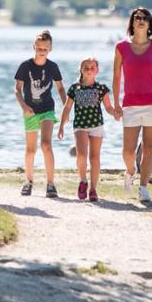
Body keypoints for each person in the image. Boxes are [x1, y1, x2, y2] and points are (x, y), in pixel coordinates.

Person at [112, 7, 152, 203]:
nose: (141, 20)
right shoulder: (121, 47)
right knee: (128, 151)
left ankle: (143, 188)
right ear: (132, 23)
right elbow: (117, 76)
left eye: (145, 18)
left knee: (149, 147)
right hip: (130, 104)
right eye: (137, 18)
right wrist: (116, 103)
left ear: (150, 23)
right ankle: (130, 170)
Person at [15, 29, 66, 198]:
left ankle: (51, 184)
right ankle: (28, 181)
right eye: (39, 48)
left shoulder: (53, 67)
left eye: (45, 48)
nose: (42, 51)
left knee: (46, 144)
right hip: (29, 111)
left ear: (50, 49)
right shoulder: (25, 66)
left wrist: (66, 105)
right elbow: (17, 90)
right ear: (34, 47)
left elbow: (60, 88)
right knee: (31, 149)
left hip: (47, 110)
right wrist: (23, 106)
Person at [58, 57, 115, 202]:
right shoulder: (75, 88)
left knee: (95, 157)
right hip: (80, 126)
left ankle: (93, 189)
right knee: (82, 155)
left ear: (97, 70)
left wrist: (116, 113)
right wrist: (61, 125)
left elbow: (108, 107)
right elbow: (67, 107)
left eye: (92, 68)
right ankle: (83, 181)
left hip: (97, 125)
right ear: (81, 70)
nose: (89, 70)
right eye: (86, 68)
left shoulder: (101, 88)